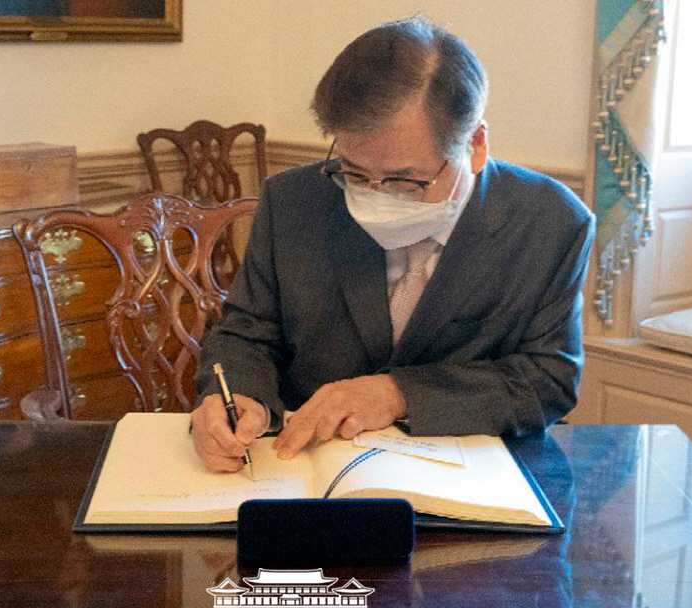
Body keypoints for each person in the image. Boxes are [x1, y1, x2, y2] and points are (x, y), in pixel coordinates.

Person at [191, 16, 594, 473]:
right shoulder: (293, 202)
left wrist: (398, 393)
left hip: (473, 483)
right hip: (303, 472)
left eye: (406, 180)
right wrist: (239, 399)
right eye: (355, 173)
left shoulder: (550, 221)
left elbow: (548, 380)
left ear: (476, 145)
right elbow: (246, 335)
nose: (376, 197)